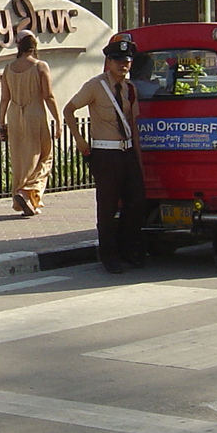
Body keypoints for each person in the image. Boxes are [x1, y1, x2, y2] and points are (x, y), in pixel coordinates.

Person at [64, 36, 149, 273]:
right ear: (108, 62)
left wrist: (138, 160)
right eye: (118, 60)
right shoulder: (95, 86)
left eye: (127, 60)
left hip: (127, 151)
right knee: (107, 206)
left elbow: (133, 124)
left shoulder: (130, 89)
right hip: (105, 153)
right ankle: (109, 255)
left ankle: (128, 249)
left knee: (136, 202)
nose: (124, 65)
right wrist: (80, 141)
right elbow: (69, 110)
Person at [0, 31, 59, 216]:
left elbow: (4, 98)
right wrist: (58, 119)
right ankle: (26, 192)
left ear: (18, 46)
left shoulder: (8, 68)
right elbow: (48, 96)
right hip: (34, 113)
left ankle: (27, 199)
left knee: (20, 159)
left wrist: (1, 123)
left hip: (14, 114)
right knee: (45, 156)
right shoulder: (40, 66)